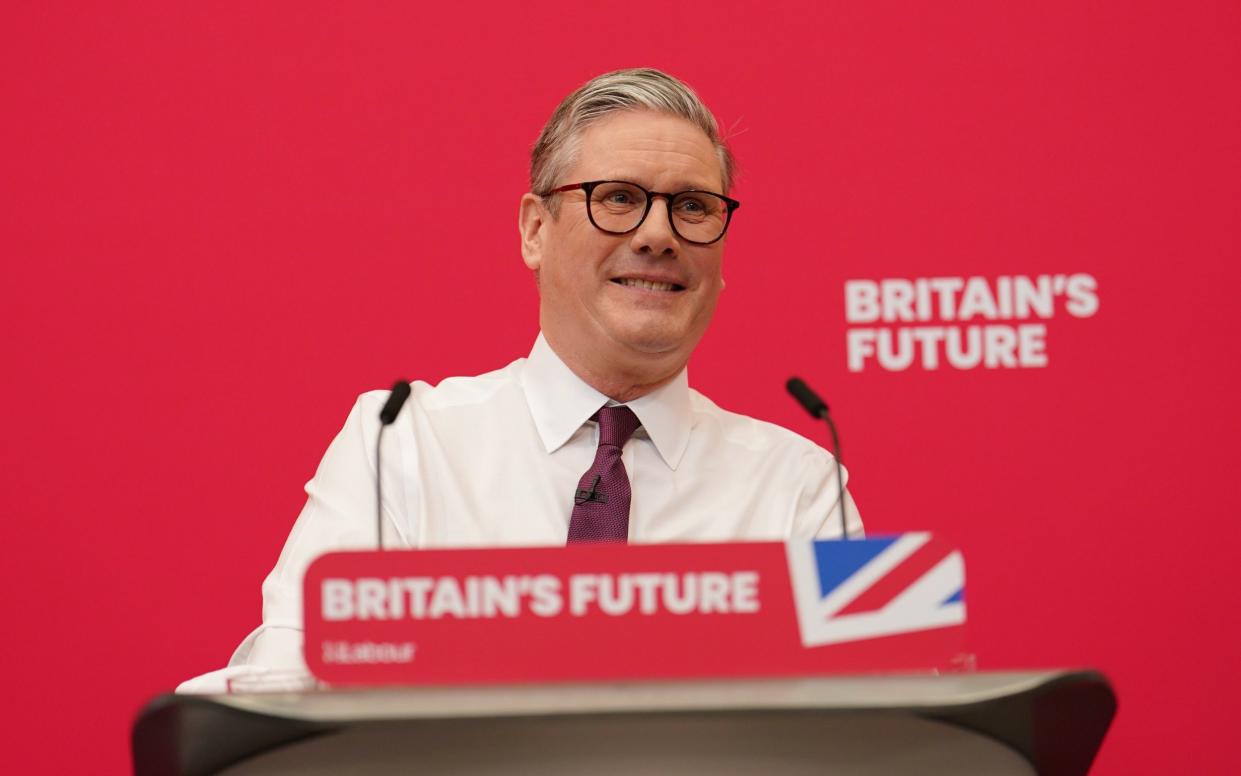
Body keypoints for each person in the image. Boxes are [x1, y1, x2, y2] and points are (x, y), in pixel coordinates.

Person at [179, 68, 861, 690]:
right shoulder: (406, 446)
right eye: (618, 198)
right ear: (535, 229)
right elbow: (292, 685)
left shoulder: (797, 488)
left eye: (692, 207)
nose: (658, 234)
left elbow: (858, 731)